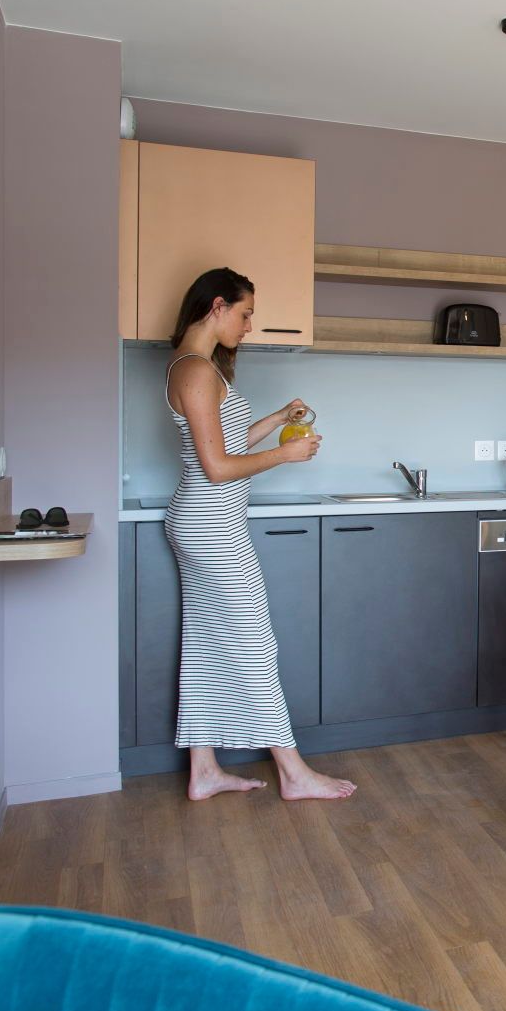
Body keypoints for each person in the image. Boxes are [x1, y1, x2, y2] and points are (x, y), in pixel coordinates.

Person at [163, 267, 355, 801]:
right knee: (254, 647)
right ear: (217, 305)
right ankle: (293, 773)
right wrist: (288, 454)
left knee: (205, 646)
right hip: (212, 529)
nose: (249, 326)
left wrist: (275, 420)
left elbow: (228, 442)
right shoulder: (197, 370)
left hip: (204, 524)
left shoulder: (194, 368)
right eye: (245, 313)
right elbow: (218, 467)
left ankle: (203, 769)